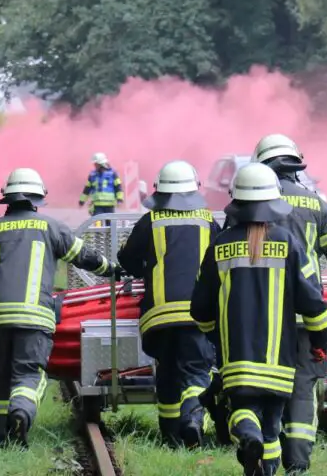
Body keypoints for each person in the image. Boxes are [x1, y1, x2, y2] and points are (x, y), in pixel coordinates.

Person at [0, 167, 121, 448]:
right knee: (29, 374)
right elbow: (84, 257)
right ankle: (21, 412)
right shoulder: (50, 227)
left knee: (1, 376)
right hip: (34, 318)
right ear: (38, 198)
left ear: (6, 198)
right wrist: (113, 269)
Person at [192, 162, 327, 476]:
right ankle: (263, 461)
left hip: (237, 360)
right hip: (279, 363)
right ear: (273, 202)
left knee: (241, 411)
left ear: (237, 201)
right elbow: (311, 299)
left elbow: (200, 308)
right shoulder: (288, 243)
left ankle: (248, 436)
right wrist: (323, 337)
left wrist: (213, 336)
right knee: (272, 427)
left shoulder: (220, 246)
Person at [252, 132, 327, 474]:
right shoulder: (316, 203)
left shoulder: (250, 201)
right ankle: (297, 465)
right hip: (306, 317)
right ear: (295, 167)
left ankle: (263, 455)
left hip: (259, 317)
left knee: (258, 383)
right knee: (302, 386)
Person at [116, 160, 220, 448]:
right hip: (198, 316)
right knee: (197, 372)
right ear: (194, 189)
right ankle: (193, 420)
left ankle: (172, 438)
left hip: (158, 320)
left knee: (168, 375)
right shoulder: (208, 221)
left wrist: (145, 268)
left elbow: (126, 260)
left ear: (159, 191)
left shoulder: (150, 221)